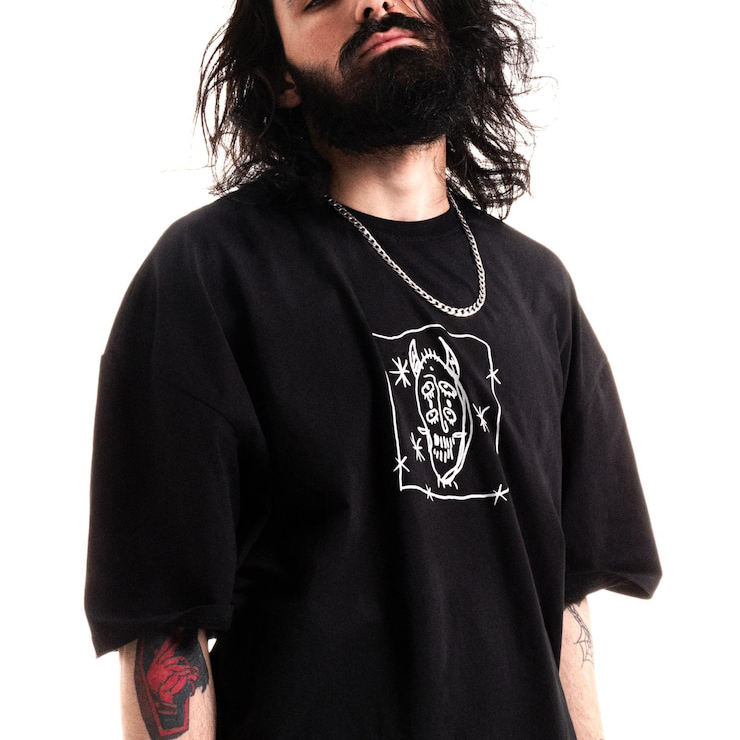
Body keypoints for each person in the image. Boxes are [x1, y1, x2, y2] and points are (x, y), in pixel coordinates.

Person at [84, 0, 662, 737]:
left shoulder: (538, 288)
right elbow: (168, 627)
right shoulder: (208, 275)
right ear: (280, 78)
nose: (376, 3)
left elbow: (563, 604)